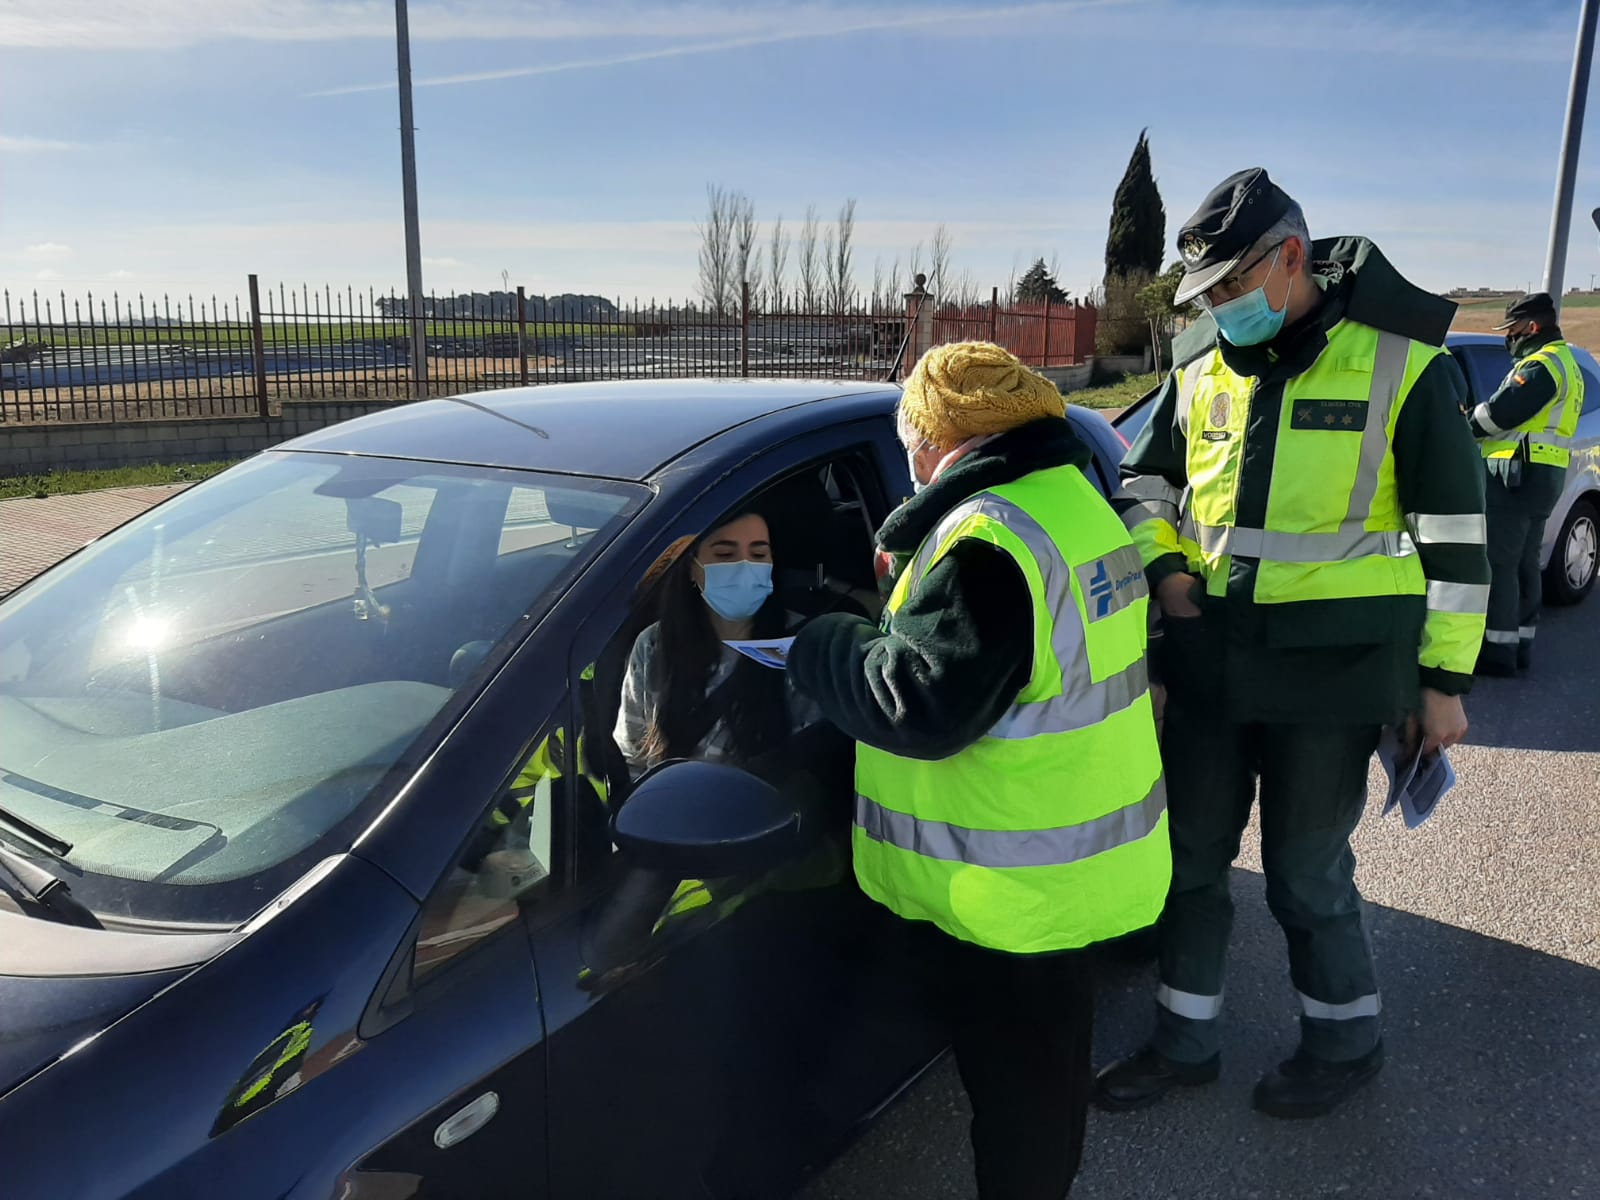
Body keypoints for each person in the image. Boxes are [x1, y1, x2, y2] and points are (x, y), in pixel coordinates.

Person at [1098, 168, 1490, 1120]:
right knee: (1189, 863)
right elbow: (1144, 489)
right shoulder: (1196, 369)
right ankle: (1184, 1041)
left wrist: (1442, 681)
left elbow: (1455, 541)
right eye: (1209, 295)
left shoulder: (1405, 365)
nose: (1221, 307)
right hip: (1213, 659)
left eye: (1233, 285)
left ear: (1291, 259)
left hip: (1338, 669)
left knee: (1306, 874)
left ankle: (1346, 1042)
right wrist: (1165, 572)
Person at [789, 341, 1171, 1200]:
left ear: (933, 436)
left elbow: (918, 705)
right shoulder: (1068, 499)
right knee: (1046, 1078)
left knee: (1023, 1106)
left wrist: (823, 642)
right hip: (1068, 861)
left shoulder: (990, 543)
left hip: (1011, 894)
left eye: (910, 438)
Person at [614, 510, 819, 776]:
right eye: (725, 555)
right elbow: (632, 758)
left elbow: (809, 772)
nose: (745, 567)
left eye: (758, 555)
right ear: (692, 567)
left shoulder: (802, 648)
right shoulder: (655, 645)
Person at [1469, 291, 1587, 674]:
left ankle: (1498, 654)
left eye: (1513, 329)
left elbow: (1500, 415)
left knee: (1501, 563)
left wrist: (1462, 422)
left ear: (1532, 326)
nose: (1509, 337)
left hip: (1517, 475)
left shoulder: (1541, 365)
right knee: (1524, 562)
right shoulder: (1567, 363)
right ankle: (1519, 645)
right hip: (1544, 475)